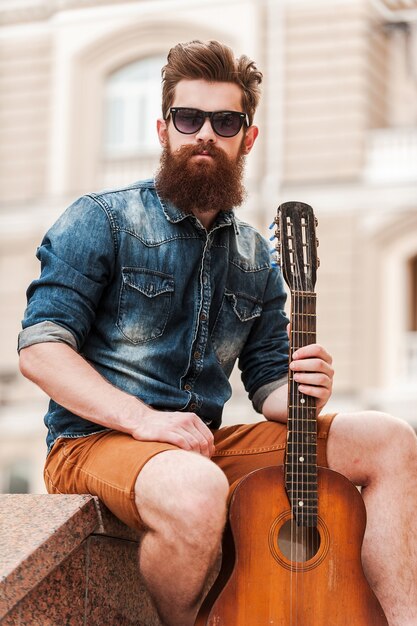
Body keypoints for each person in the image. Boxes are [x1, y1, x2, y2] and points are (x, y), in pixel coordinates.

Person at [18, 40, 416, 626]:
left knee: (389, 437)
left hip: (200, 447)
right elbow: (41, 350)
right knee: (197, 489)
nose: (205, 132)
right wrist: (145, 421)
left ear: (246, 138)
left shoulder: (256, 257)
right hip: (93, 444)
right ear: (163, 129)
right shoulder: (100, 219)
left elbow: (270, 391)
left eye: (225, 121)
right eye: (189, 118)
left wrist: (307, 386)